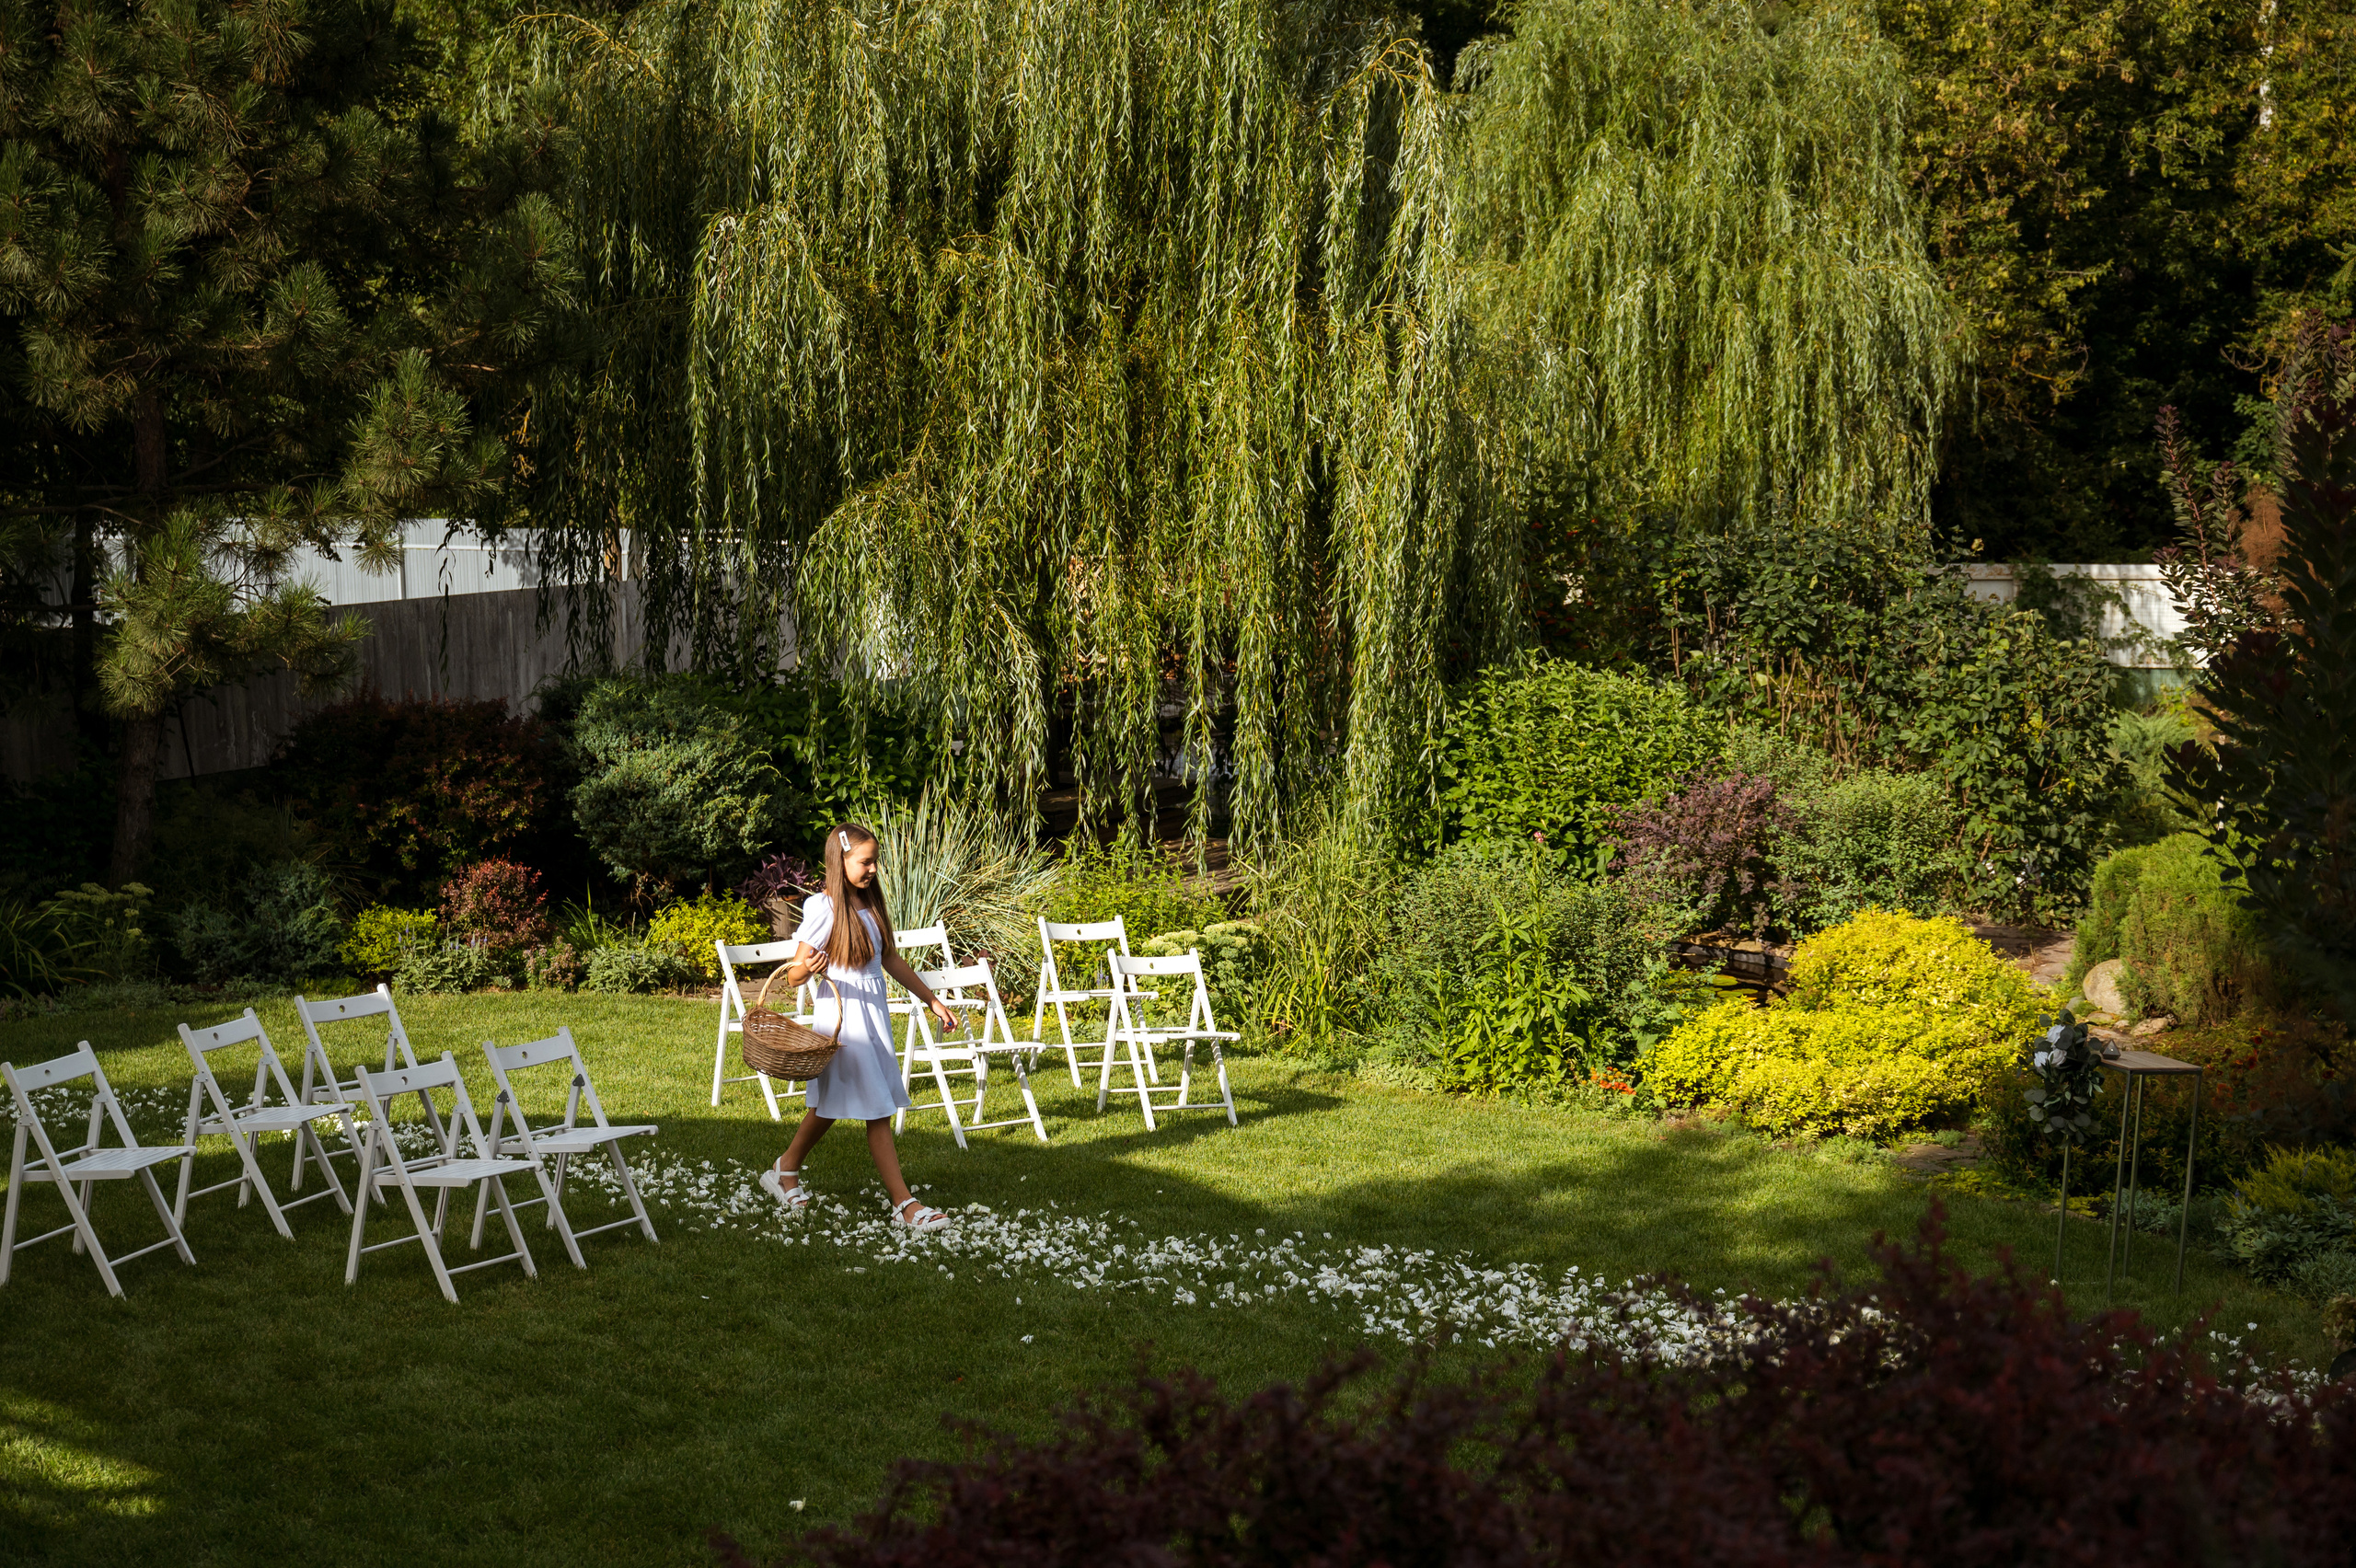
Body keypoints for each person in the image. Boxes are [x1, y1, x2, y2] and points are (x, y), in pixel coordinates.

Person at [758, 823, 960, 1230]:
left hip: (873, 1015)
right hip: (842, 1020)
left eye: (875, 862)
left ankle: (785, 1168)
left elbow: (891, 961)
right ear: (841, 860)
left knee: (830, 1104)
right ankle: (905, 1205)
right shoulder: (823, 907)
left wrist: (932, 1000)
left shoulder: (871, 906)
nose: (872, 870)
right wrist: (807, 969)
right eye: (864, 862)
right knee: (877, 1109)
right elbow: (794, 974)